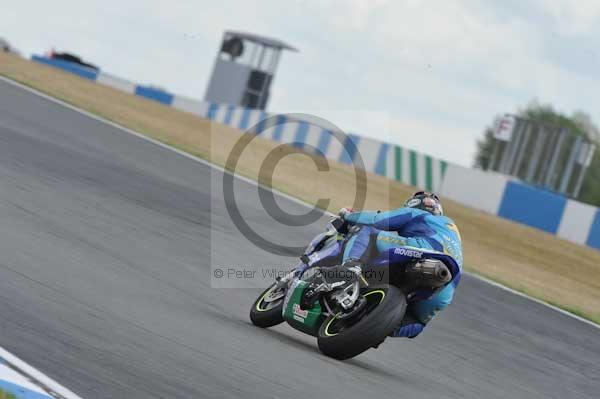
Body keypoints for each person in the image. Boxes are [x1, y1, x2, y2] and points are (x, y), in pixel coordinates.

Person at [337, 191, 463, 338]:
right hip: (447, 285)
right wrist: (381, 324)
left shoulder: (417, 213)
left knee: (368, 230)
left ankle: (349, 269)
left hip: (422, 249)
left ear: (414, 204)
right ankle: (385, 328)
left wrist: (347, 215)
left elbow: (378, 220)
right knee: (417, 321)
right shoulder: (453, 233)